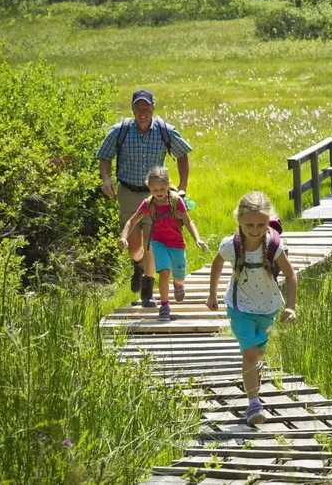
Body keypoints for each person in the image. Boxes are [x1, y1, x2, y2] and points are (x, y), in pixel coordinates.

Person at [206, 192, 297, 426]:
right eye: (249, 225)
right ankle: (254, 404)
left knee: (255, 354)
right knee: (250, 353)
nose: (255, 230)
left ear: (269, 222)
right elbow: (216, 265)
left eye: (261, 224)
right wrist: (212, 294)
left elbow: (290, 274)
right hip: (239, 308)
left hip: (268, 309)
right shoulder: (231, 245)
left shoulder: (274, 246)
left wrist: (290, 307)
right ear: (239, 220)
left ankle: (252, 382)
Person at [97, 89, 193, 296]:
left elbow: (183, 155)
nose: (142, 111)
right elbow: (104, 157)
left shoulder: (164, 130)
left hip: (156, 195)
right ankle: (138, 265)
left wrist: (183, 187)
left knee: (151, 238)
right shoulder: (120, 131)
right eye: (138, 107)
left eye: (146, 107)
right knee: (134, 247)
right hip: (128, 193)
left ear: (153, 108)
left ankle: (148, 283)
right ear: (132, 109)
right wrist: (106, 179)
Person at [120, 166, 208, 320]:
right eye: (155, 190)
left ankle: (179, 284)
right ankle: (164, 306)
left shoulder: (176, 201)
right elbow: (132, 221)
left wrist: (197, 239)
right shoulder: (148, 204)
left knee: (179, 275)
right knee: (164, 272)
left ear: (168, 185)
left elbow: (188, 221)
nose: (159, 192)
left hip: (177, 244)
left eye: (162, 188)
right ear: (149, 187)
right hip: (158, 242)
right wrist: (123, 237)